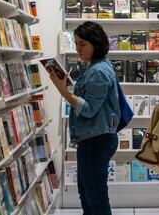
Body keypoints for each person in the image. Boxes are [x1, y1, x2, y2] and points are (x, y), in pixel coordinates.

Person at [49, 21, 120, 215]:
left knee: (95, 197)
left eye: (83, 44)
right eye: (76, 43)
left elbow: (88, 109)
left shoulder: (98, 71)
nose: (78, 49)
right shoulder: (94, 66)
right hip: (92, 138)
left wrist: (64, 92)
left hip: (97, 139)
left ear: (95, 44)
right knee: (88, 194)